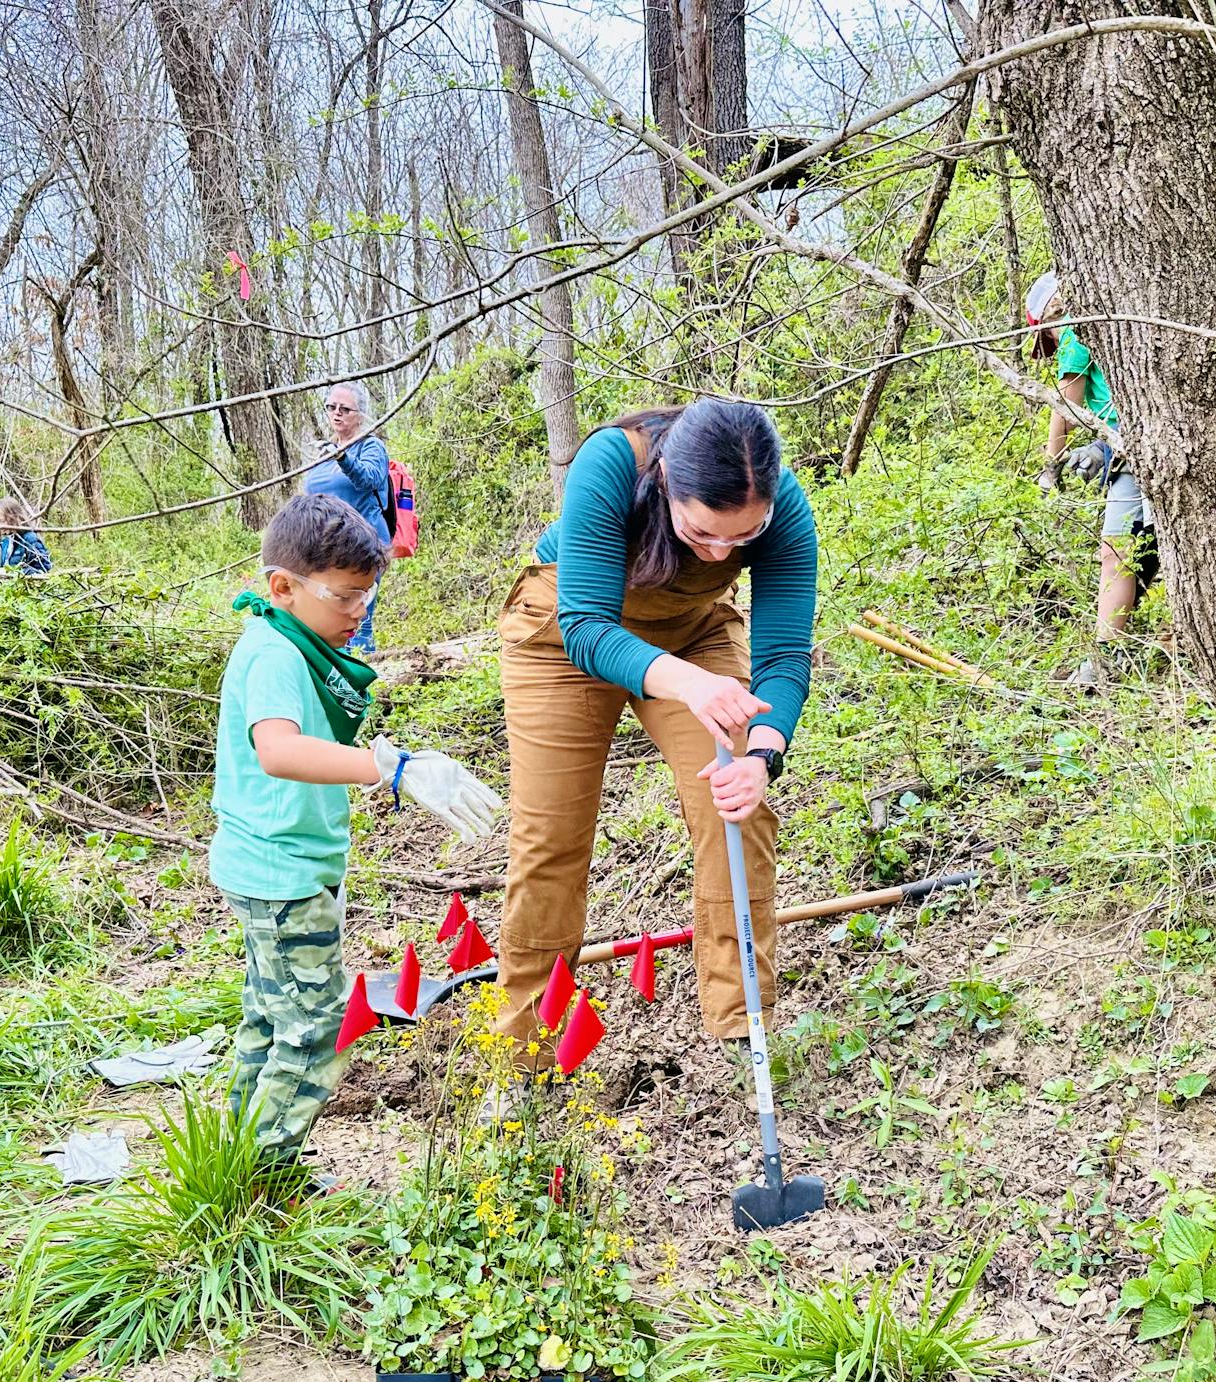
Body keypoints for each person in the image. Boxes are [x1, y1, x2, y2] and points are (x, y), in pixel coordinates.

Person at [494, 399, 815, 1090]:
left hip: (692, 633)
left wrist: (762, 755)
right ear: (667, 479)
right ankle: (525, 1055)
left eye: (742, 537)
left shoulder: (784, 504)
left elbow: (784, 655)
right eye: (703, 533)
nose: (721, 553)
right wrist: (691, 687)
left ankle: (742, 1028)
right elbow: (584, 624)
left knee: (737, 808)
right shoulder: (612, 462)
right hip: (564, 638)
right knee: (551, 833)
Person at [209, 492, 500, 1172]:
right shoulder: (275, 654)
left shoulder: (283, 640)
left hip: (277, 868)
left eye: (366, 595)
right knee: (319, 1030)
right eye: (344, 597)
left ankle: (235, 1161)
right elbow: (277, 749)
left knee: (270, 1017)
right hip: (280, 875)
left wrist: (393, 758)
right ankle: (259, 1180)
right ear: (283, 587)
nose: (358, 611)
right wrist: (384, 767)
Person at [1026, 270, 1158, 689]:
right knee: (1129, 549)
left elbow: (1066, 404)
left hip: (1136, 447)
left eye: (1046, 342)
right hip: (1126, 446)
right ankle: (1112, 650)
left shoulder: (1073, 332)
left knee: (1117, 551)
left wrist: (1050, 467)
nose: (1052, 350)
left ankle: (1107, 656)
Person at [304, 380, 390, 651]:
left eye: (345, 409)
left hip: (364, 544)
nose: (337, 413)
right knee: (329, 615)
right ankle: (336, 677)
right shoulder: (325, 453)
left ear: (360, 414)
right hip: (329, 548)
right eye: (331, 407)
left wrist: (343, 457)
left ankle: (362, 677)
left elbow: (370, 479)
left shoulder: (370, 446)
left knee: (357, 614)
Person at [0, 499, 53, 574]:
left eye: (2, 521)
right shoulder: (5, 542)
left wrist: (17, 572)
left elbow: (44, 569)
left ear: (14, 517)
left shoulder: (30, 539)